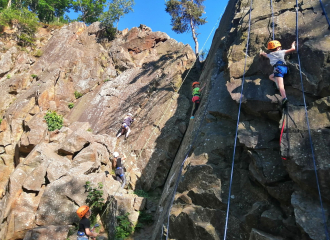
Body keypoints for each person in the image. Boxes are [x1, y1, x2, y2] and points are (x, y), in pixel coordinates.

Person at [260, 40, 296, 107]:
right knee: (270, 76)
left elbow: (265, 55)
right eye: (279, 47)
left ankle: (284, 98)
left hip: (278, 70)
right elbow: (293, 49)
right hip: (285, 69)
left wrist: (261, 53)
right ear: (277, 48)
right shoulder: (281, 52)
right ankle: (277, 82)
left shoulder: (270, 55)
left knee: (280, 85)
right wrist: (293, 44)